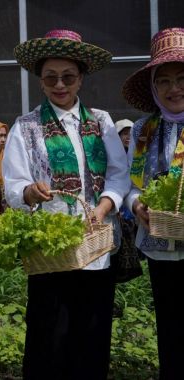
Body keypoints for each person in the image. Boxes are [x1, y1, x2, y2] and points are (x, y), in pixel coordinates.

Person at [7, 29, 130, 379]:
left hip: (95, 248)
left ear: (81, 78)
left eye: (68, 77)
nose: (60, 85)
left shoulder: (101, 122)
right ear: (40, 82)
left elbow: (119, 174)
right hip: (50, 252)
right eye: (50, 78)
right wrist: (29, 191)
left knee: (92, 338)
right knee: (49, 337)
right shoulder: (26, 126)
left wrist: (104, 207)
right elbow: (13, 184)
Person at [122, 27, 184, 380]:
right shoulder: (145, 127)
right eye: (164, 81)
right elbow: (131, 186)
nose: (173, 89)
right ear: (154, 88)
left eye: (181, 78)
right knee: (171, 334)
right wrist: (137, 206)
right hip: (161, 247)